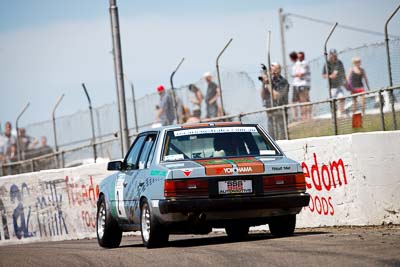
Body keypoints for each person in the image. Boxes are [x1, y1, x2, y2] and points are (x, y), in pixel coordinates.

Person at [260, 63, 289, 140]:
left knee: (282, 135)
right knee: (272, 136)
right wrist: (263, 84)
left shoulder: (283, 81)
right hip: (270, 112)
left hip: (279, 112)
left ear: (278, 70)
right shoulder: (270, 81)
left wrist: (268, 84)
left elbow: (276, 96)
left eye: (273, 68)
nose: (271, 70)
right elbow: (263, 96)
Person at [322, 49, 346, 116]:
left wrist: (346, 83)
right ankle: (334, 114)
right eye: (333, 55)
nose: (334, 56)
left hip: (339, 85)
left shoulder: (339, 62)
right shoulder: (327, 63)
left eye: (335, 55)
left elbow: (343, 73)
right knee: (333, 101)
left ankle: (341, 113)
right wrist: (330, 76)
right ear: (330, 55)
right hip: (332, 87)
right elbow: (323, 75)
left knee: (342, 97)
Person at [295, 52, 312, 120]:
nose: (299, 58)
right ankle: (304, 116)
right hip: (299, 84)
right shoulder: (297, 64)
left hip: (305, 84)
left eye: (300, 57)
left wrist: (297, 75)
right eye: (298, 57)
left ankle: (309, 116)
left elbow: (300, 74)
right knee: (301, 101)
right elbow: (295, 74)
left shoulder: (305, 63)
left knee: (306, 100)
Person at [289, 51, 300, 122]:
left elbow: (299, 74)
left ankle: (296, 117)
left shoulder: (298, 64)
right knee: (293, 102)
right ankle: (295, 117)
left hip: (298, 85)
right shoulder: (295, 64)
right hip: (296, 85)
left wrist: (293, 75)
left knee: (295, 102)